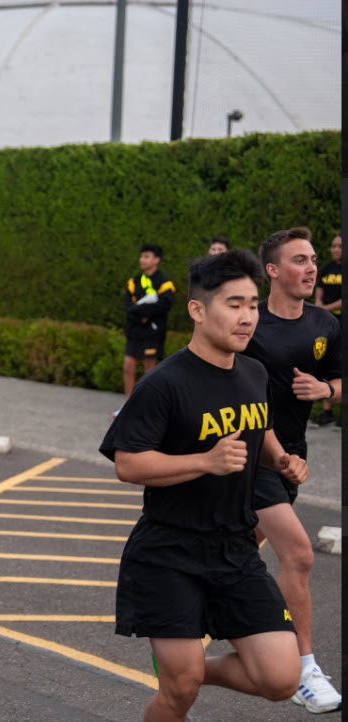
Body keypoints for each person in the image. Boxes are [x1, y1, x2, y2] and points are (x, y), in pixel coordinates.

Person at [100, 249, 305, 722]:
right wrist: (204, 461)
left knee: (281, 678)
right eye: (234, 304)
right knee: (179, 694)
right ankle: (182, 675)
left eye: (253, 304)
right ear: (197, 309)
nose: (247, 317)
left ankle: (187, 669)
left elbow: (261, 424)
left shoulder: (253, 372)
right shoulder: (163, 384)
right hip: (169, 550)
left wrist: (279, 458)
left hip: (235, 546)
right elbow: (128, 464)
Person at [242, 227, 342, 714]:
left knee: (238, 545)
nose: (311, 267)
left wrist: (328, 392)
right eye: (299, 260)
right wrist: (276, 454)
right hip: (249, 453)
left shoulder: (325, 323)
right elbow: (231, 389)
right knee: (299, 555)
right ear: (273, 272)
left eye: (314, 259)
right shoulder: (248, 323)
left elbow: (340, 379)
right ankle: (306, 669)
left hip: (292, 456)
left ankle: (185, 627)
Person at [121, 243, 175, 405]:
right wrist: (140, 317)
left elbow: (165, 304)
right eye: (141, 256)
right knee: (128, 367)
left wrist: (147, 314)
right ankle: (128, 405)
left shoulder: (164, 282)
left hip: (152, 333)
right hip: (135, 330)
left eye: (147, 256)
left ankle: (146, 405)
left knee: (149, 371)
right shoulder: (134, 281)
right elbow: (128, 306)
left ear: (156, 259)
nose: (142, 260)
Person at [311, 233, 341, 428]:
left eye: (340, 246)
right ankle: (327, 411)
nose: (335, 249)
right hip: (327, 323)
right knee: (326, 362)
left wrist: (325, 310)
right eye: (333, 246)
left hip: (341, 320)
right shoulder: (326, 269)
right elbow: (318, 292)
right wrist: (320, 306)